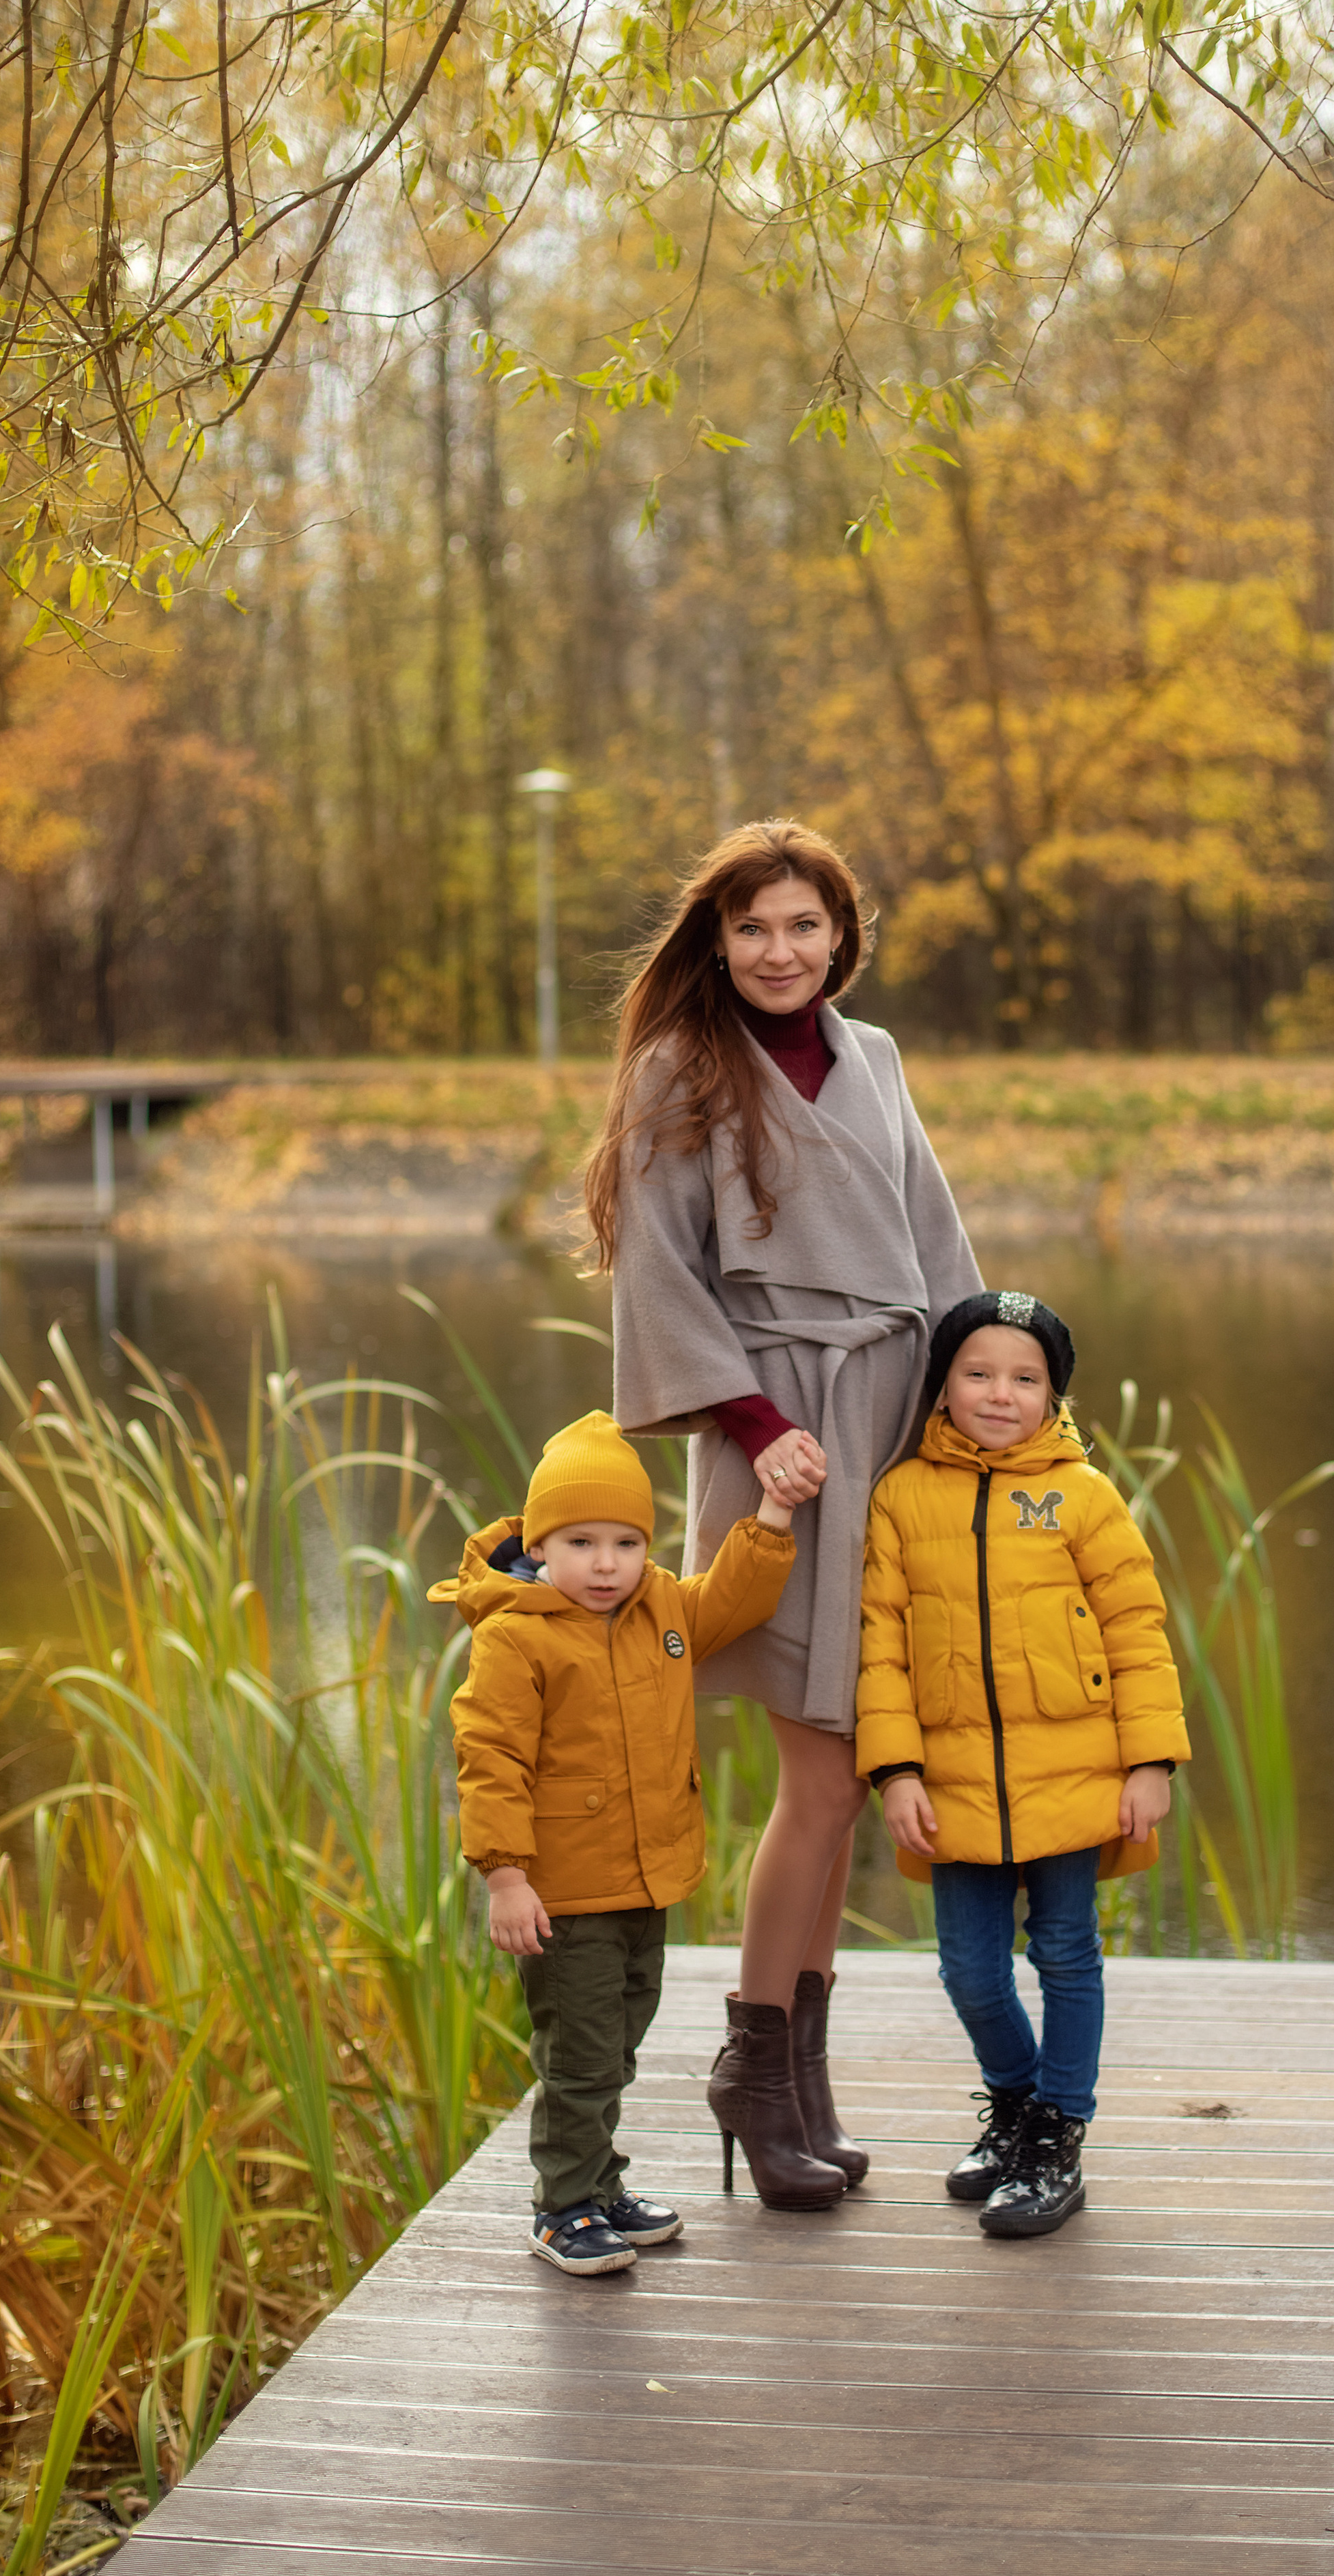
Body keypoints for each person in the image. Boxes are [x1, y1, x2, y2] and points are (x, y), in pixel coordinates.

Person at [583, 820, 980, 2209]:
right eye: (752, 927)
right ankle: (753, 2075)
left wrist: (965, 1410)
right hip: (783, 1445)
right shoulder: (677, 1073)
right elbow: (659, 1281)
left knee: (858, 1777)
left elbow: (934, 1247)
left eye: (802, 926)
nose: (777, 951)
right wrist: (761, 1438)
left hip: (888, 1426)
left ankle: (799, 2085)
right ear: (717, 939)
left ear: (840, 938)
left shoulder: (870, 1061)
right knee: (819, 1782)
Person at [857, 1291, 1191, 2239]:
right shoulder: (902, 1498)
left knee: (1066, 1954)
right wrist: (897, 1772)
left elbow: (1137, 1629)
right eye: (978, 1373)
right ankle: (1016, 2107)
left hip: (1078, 1775)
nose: (1000, 1394)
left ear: (1052, 1395)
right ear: (944, 1385)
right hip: (953, 1786)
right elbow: (880, 1648)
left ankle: (1058, 2137)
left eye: (1024, 1378)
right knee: (968, 1971)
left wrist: (1151, 1759)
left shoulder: (1082, 1496)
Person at [431, 1408, 797, 2273]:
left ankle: (600, 2184)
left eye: (626, 1543)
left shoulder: (660, 1611)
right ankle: (561, 2206)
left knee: (618, 2040)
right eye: (582, 1542)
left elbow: (732, 1599)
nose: (606, 1565)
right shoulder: (516, 1637)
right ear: (542, 1547)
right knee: (581, 2054)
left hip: (645, 1879)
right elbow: (491, 1760)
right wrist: (507, 1877)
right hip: (564, 1894)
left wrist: (774, 1517)